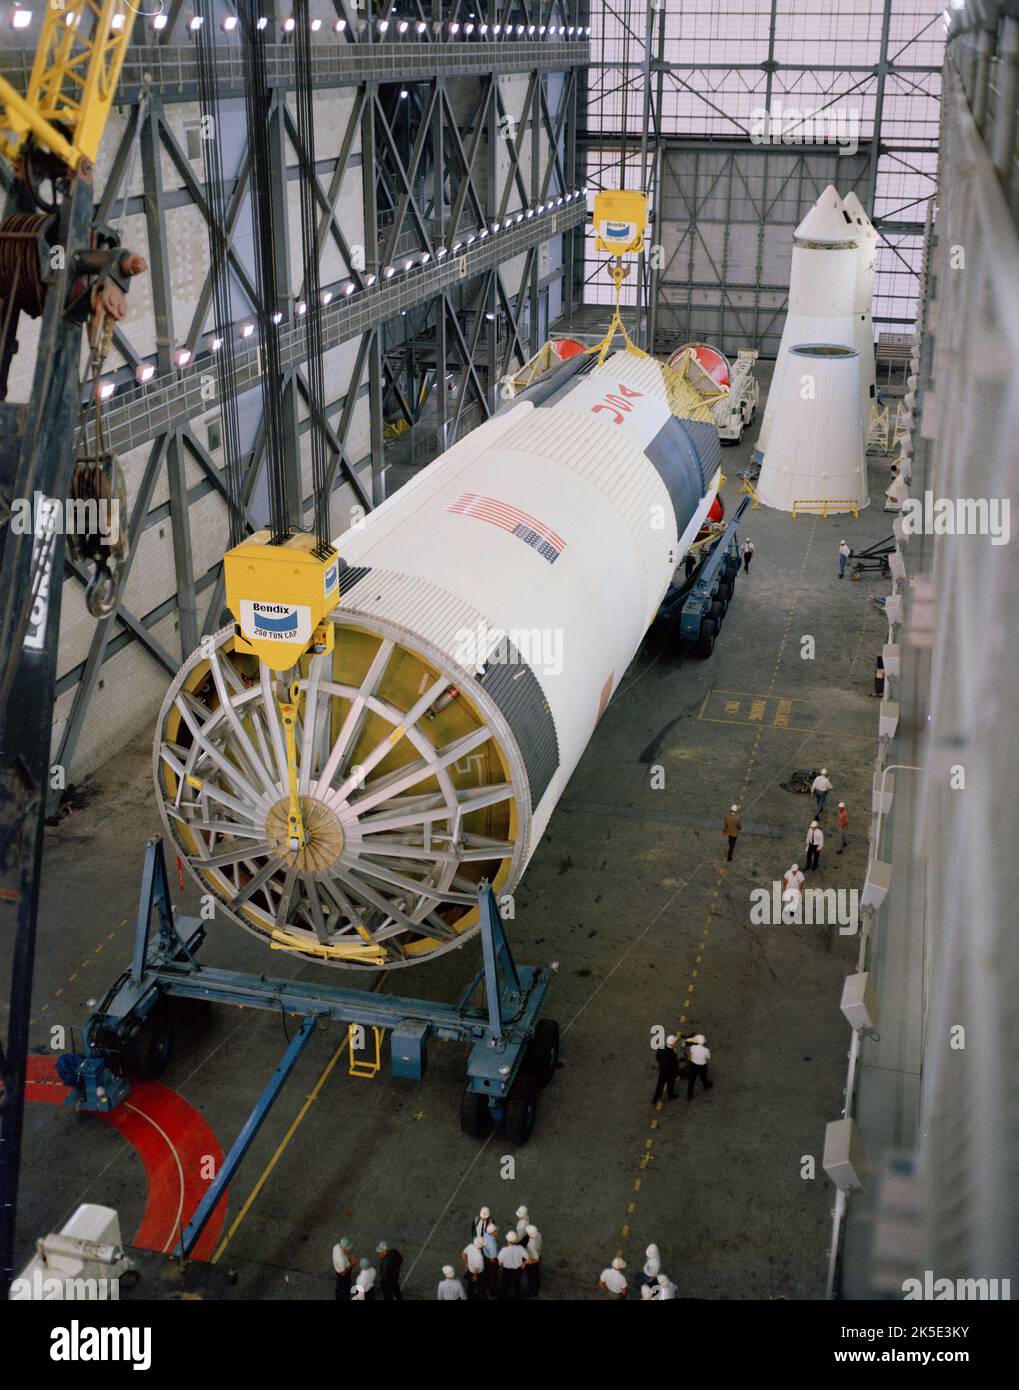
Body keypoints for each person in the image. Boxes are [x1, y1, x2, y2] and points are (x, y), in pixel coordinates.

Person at [497, 1230, 527, 1299]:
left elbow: (499, 1263)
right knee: (517, 1284)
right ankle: (518, 1295)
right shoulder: (520, 1248)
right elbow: (527, 1257)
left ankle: (504, 1296)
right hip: (518, 1269)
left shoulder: (504, 1250)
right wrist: (524, 1263)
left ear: (507, 1240)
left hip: (507, 1270)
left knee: (506, 1284)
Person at [652, 1034, 680, 1103]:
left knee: (660, 1085)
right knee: (670, 1084)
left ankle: (655, 1098)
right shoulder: (673, 1054)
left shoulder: (661, 1047)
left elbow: (657, 1057)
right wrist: (677, 1074)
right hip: (670, 1073)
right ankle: (670, 1095)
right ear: (673, 1044)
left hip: (662, 1071)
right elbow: (675, 1066)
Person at [685, 1034, 713, 1099]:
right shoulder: (706, 1050)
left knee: (691, 1080)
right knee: (703, 1077)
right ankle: (706, 1085)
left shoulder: (692, 1047)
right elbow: (708, 1057)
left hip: (693, 1065)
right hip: (702, 1067)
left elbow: (689, 1046)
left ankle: (689, 1095)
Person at [332, 1236, 354, 1302]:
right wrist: (352, 1264)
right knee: (345, 1290)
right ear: (345, 1248)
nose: (349, 1250)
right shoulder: (341, 1259)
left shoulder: (336, 1246)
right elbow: (343, 1272)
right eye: (348, 1248)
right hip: (343, 1275)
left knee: (339, 1288)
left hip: (338, 1272)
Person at [523, 1224, 542, 1297]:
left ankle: (532, 1291)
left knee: (531, 1276)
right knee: (537, 1272)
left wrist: (527, 1262)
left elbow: (536, 1259)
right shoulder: (538, 1234)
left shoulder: (531, 1244)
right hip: (539, 1254)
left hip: (532, 1260)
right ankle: (537, 1285)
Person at [482, 1221, 500, 1298]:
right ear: (493, 1233)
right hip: (491, 1259)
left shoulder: (485, 1234)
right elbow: (493, 1259)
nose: (497, 1232)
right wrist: (498, 1263)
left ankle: (485, 1284)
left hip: (485, 1256)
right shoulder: (492, 1244)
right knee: (493, 1276)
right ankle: (492, 1291)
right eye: (496, 1231)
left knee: (486, 1271)